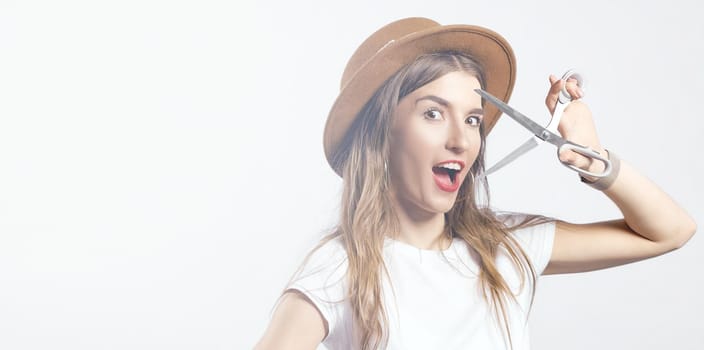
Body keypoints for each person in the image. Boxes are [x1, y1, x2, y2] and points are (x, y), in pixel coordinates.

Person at [253, 17, 696, 350]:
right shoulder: (342, 269)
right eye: (432, 113)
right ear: (383, 133)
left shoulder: (505, 246)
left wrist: (593, 159)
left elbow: (671, 232)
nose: (460, 140)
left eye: (472, 120)